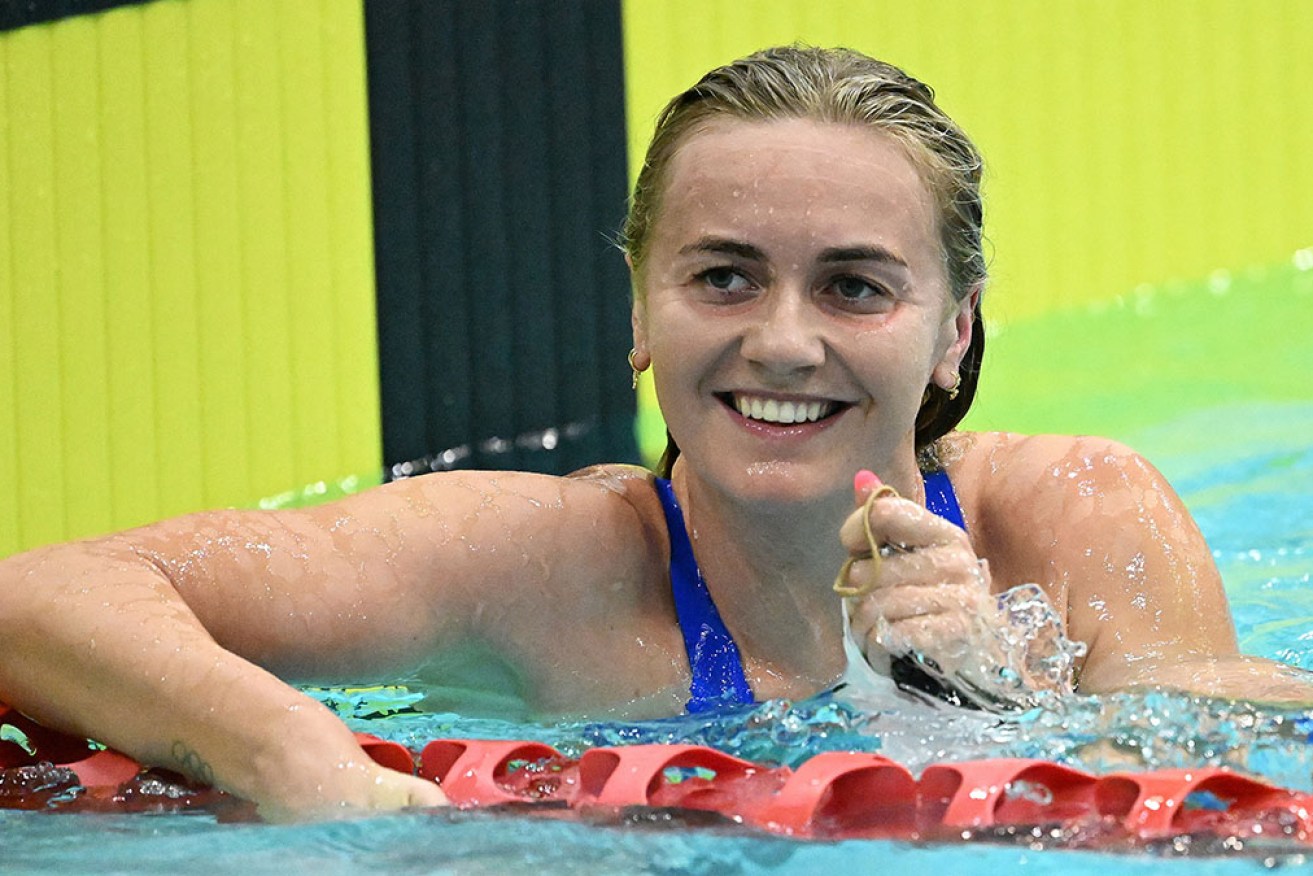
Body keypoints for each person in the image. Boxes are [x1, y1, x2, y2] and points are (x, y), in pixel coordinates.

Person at [1, 45, 1308, 821]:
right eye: (723, 277)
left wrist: (990, 711)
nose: (782, 339)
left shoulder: (1070, 518)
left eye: (852, 285)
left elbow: (1225, 794)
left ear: (953, 331)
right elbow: (40, 596)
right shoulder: (528, 561)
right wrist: (283, 750)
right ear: (639, 308)